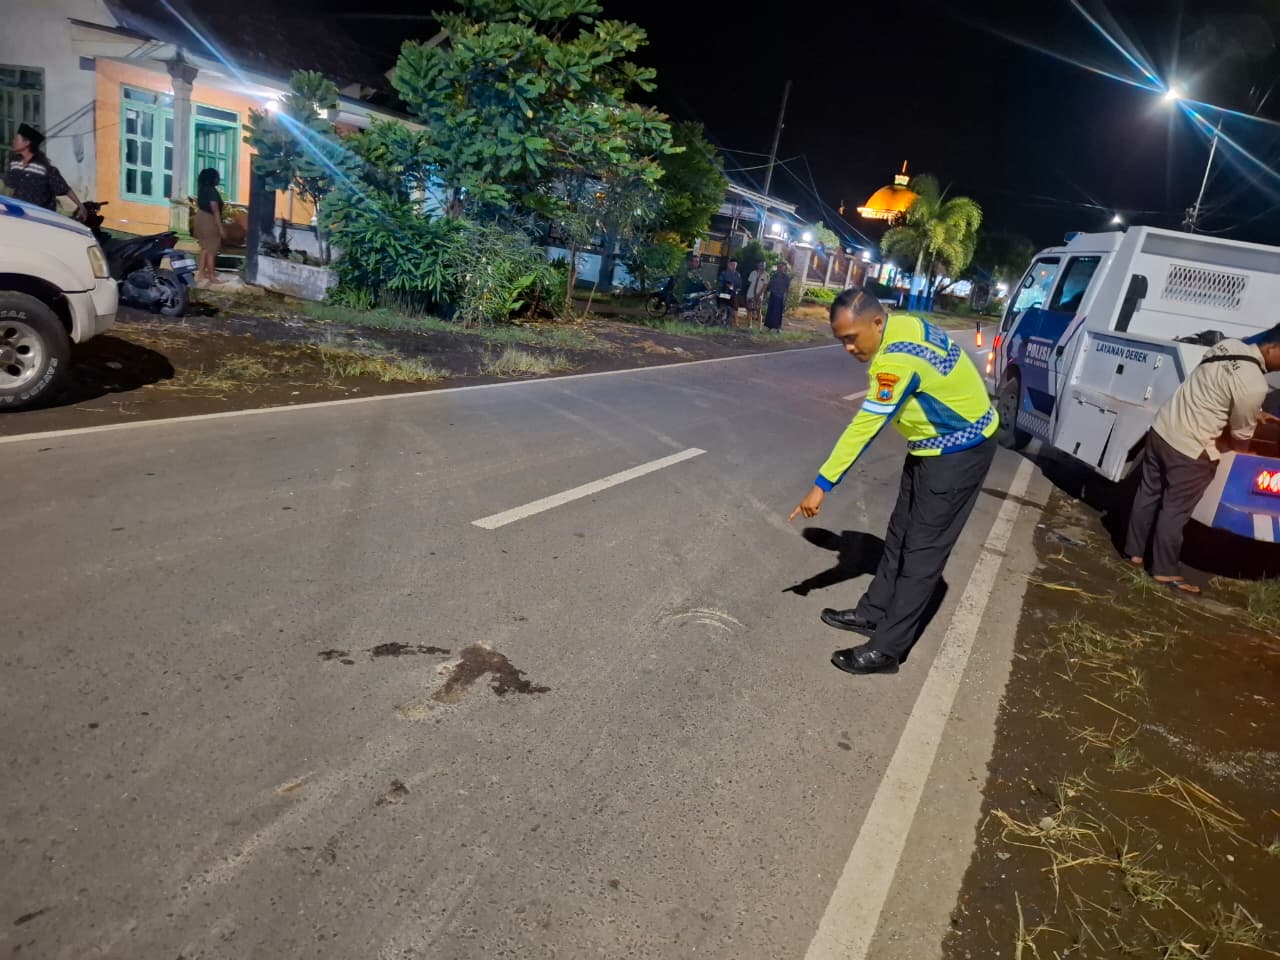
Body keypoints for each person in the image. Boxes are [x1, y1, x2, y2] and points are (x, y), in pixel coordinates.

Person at [788, 287, 998, 676]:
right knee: (900, 533)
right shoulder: (903, 326)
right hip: (931, 444)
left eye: (851, 338)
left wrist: (822, 484)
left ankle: (888, 649)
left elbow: (865, 427)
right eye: (841, 341)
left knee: (922, 552)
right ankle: (873, 611)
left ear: (877, 322)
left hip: (959, 451)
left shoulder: (897, 361)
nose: (848, 348)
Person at [1124, 325, 1280, 594]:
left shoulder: (1228, 347)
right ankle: (1163, 571)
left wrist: (1254, 413)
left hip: (1163, 429)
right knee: (1175, 510)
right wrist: (1246, 451)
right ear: (1272, 347)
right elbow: (1241, 436)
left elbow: (1215, 391)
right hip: (1190, 449)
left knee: (1148, 494)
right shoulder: (1254, 384)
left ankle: (1133, 553)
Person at [5, 123, 85, 219]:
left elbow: (64, 188)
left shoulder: (43, 168)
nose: (13, 141)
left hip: (40, 218)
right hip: (19, 215)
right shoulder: (15, 163)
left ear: (26, 143)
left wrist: (80, 206)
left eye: (16, 139)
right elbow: (9, 187)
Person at [194, 167, 226, 285]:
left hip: (200, 217)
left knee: (205, 248)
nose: (219, 178)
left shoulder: (202, 190)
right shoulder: (212, 191)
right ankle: (212, 276)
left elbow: (198, 204)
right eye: (217, 176)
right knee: (211, 249)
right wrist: (220, 228)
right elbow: (215, 210)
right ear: (212, 178)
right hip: (209, 220)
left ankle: (201, 273)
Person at [764, 262, 790, 332]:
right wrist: (766, 293)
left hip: (781, 296)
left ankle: (778, 328)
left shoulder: (786, 277)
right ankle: (769, 327)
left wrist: (786, 299)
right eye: (778, 267)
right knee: (770, 312)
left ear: (784, 268)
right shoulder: (774, 275)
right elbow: (769, 285)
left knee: (778, 313)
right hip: (773, 295)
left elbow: (787, 289)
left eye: (781, 267)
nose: (780, 268)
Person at [716, 258, 742, 325]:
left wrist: (737, 290)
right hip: (724, 293)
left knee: (732, 309)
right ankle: (719, 321)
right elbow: (720, 283)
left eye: (735, 265)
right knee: (722, 307)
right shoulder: (724, 273)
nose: (734, 266)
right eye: (732, 265)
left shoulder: (737, 274)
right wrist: (724, 287)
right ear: (728, 265)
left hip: (733, 294)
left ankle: (729, 323)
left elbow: (739, 284)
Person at [746, 261, 769, 327]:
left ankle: (760, 327)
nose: (762, 266)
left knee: (758, 311)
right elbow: (750, 283)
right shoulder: (753, 273)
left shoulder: (766, 275)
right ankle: (749, 325)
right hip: (750, 294)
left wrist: (759, 295)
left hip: (759, 296)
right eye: (761, 265)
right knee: (749, 310)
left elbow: (765, 286)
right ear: (758, 265)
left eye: (763, 265)